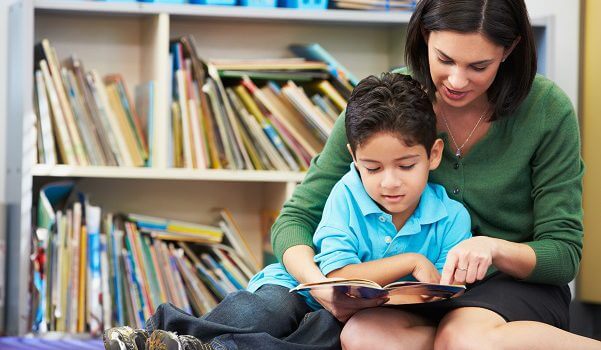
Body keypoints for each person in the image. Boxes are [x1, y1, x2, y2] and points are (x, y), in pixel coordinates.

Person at [271, 0, 601, 349]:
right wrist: (320, 284)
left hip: (511, 285)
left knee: (463, 337)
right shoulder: (388, 102)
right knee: (363, 335)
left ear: (510, 49)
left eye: (478, 65)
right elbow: (296, 218)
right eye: (444, 59)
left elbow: (563, 254)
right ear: (425, 36)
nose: (457, 80)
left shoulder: (547, 109)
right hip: (417, 291)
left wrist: (494, 249)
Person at [104, 72, 472, 350]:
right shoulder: (347, 194)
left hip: (361, 317)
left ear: (434, 154)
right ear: (354, 158)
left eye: (406, 166)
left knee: (323, 338)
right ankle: (161, 335)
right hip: (299, 285)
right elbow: (337, 274)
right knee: (266, 310)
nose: (389, 183)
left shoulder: (451, 217)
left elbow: (444, 295)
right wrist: (409, 262)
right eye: (372, 168)